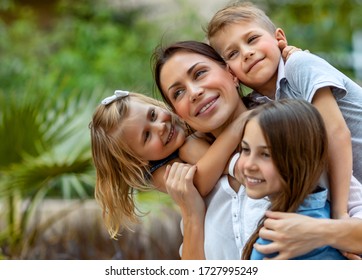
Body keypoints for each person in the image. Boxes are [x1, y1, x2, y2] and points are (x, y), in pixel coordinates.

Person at [152, 40, 362, 259]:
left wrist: (321, 232)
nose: (194, 92)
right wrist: (192, 216)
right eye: (178, 93)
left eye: (200, 73)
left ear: (231, 73)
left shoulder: (291, 135)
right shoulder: (196, 187)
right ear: (177, 112)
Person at [207, 1, 362, 221]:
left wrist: (340, 214)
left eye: (252, 39)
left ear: (279, 38)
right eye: (232, 54)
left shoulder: (299, 65)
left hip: (348, 198)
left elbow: (337, 134)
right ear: (229, 72)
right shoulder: (258, 107)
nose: (247, 53)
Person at [89, 90, 243, 239]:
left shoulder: (187, 120)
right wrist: (237, 127)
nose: (160, 127)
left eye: (153, 115)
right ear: (137, 159)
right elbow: (199, 184)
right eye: (147, 135)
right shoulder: (158, 174)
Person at [236, 99, 346, 260]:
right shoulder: (322, 210)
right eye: (245, 149)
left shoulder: (281, 241)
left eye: (266, 154)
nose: (249, 165)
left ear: (300, 159)